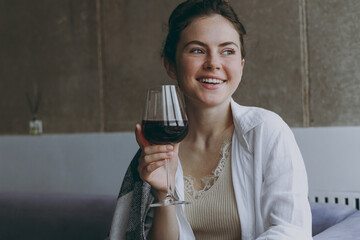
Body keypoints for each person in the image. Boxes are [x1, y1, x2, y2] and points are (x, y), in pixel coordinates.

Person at [109, 0, 312, 239]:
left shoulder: (267, 131)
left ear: (241, 65)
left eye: (228, 51)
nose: (213, 63)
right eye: (197, 50)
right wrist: (164, 193)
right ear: (170, 65)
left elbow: (291, 231)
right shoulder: (158, 148)